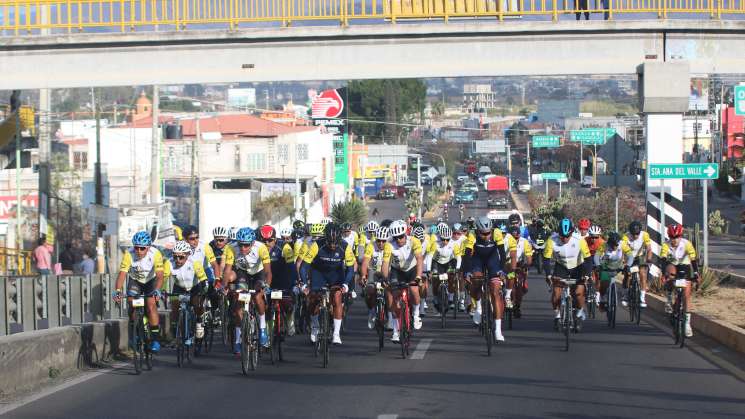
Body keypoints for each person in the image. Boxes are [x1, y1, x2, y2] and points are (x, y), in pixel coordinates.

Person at [300, 223, 355, 345]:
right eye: (330, 242)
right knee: (313, 298)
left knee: (337, 297)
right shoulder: (316, 245)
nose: (333, 246)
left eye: (335, 243)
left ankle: (336, 333)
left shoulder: (345, 247)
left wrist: (346, 284)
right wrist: (304, 284)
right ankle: (315, 326)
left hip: (336, 274)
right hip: (319, 273)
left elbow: (351, 269)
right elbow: (304, 266)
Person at [112, 231, 165, 353]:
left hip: (151, 281)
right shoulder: (129, 254)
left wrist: (157, 290)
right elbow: (122, 274)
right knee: (131, 302)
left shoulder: (156, 254)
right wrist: (117, 290)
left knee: (151, 306)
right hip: (136, 281)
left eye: (142, 248)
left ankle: (155, 339)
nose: (139, 251)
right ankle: (135, 330)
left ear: (148, 247)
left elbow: (160, 276)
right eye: (136, 248)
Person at [222, 227, 272, 353]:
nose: (243, 248)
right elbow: (227, 270)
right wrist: (224, 286)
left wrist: (266, 285)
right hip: (242, 273)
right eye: (241, 245)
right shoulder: (231, 247)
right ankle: (238, 339)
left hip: (258, 273)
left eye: (246, 245)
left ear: (253, 243)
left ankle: (262, 328)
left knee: (257, 296)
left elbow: (268, 271)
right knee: (239, 302)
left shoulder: (261, 248)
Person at [543, 218, 592, 332]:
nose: (564, 239)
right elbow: (546, 259)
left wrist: (587, 275)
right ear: (558, 233)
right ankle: (557, 316)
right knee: (556, 294)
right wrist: (548, 275)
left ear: (571, 233)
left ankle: (579, 314)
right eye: (562, 236)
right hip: (561, 267)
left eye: (567, 236)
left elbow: (588, 259)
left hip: (578, 267)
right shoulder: (552, 240)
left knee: (579, 293)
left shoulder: (579, 240)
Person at [381, 219, 425, 342]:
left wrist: (418, 277)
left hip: (412, 269)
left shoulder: (414, 241)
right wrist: (385, 278)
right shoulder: (389, 244)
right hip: (397, 271)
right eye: (396, 238)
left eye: (401, 237)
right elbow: (385, 264)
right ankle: (396, 330)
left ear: (405, 234)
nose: (399, 240)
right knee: (395, 298)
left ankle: (416, 315)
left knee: (414, 289)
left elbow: (420, 259)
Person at [466, 216, 507, 341]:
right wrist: (467, 271)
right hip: (478, 259)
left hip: (492, 260)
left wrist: (502, 270)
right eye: (483, 234)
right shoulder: (472, 234)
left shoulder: (497, 233)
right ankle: (478, 307)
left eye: (488, 233)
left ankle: (498, 330)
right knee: (475, 281)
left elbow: (502, 253)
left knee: (495, 292)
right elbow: (467, 254)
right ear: (477, 231)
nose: (486, 236)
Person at [659, 223, 699, 337]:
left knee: (686, 296)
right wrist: (664, 274)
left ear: (680, 236)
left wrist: (696, 273)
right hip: (672, 265)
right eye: (672, 237)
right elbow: (663, 259)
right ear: (669, 237)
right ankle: (669, 295)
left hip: (684, 266)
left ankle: (687, 324)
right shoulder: (666, 245)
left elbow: (693, 259)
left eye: (676, 237)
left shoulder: (687, 244)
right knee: (670, 270)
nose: (674, 240)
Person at [167, 241, 208, 344]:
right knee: (174, 306)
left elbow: (203, 278)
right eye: (175, 256)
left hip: (194, 287)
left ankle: (199, 324)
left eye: (181, 257)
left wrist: (204, 288)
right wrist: (161, 290)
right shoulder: (169, 262)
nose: (177, 260)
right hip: (179, 287)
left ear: (188, 255)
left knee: (197, 304)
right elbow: (163, 277)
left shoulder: (194, 262)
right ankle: (175, 330)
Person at [361, 226, 390, 329]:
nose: (381, 243)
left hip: (388, 271)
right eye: (378, 241)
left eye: (383, 241)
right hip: (374, 271)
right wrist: (364, 276)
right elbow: (365, 262)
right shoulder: (370, 246)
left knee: (389, 292)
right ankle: (372, 312)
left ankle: (389, 316)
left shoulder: (390, 246)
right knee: (369, 291)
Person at [621, 221, 653, 308]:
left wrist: (649, 259)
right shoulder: (625, 236)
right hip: (629, 257)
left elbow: (649, 249)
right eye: (633, 234)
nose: (635, 236)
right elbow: (622, 250)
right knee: (628, 275)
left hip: (640, 256)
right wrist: (623, 261)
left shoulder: (644, 235)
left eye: (637, 234)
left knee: (643, 274)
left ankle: (642, 297)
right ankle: (626, 295)